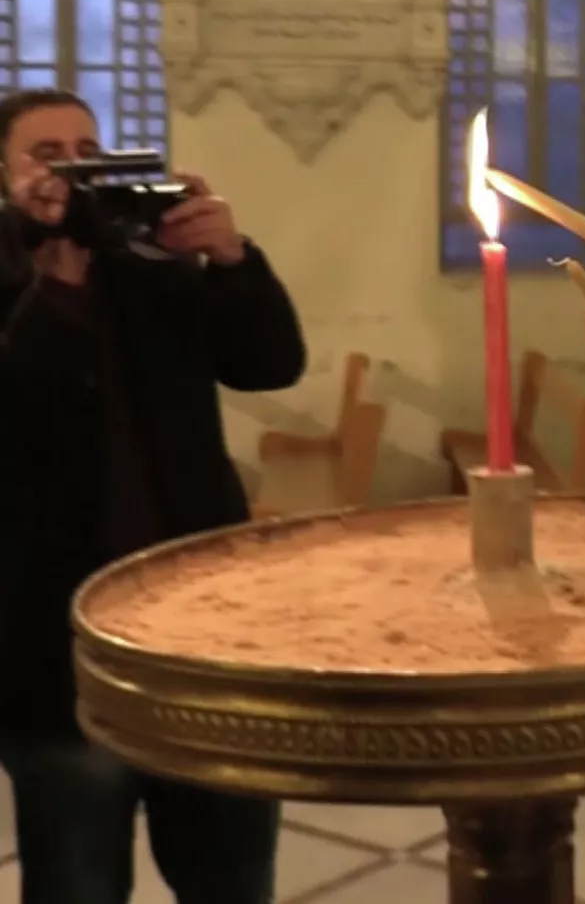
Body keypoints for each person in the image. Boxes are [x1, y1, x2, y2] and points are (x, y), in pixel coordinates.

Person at [0, 88, 307, 904]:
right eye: (45, 154)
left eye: (87, 151)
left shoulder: (148, 258)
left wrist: (232, 260)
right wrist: (55, 292)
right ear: (3, 175)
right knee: (77, 882)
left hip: (200, 632)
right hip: (55, 647)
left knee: (231, 874)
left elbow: (270, 364)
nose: (70, 170)